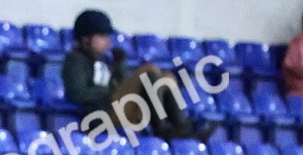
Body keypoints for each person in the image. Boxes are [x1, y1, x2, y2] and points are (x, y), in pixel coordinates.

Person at [62, 9, 213, 141]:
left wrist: (119, 67)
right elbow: (76, 93)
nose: (108, 42)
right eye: (102, 36)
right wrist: (110, 91)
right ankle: (161, 129)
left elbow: (117, 85)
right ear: (86, 38)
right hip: (99, 116)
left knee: (167, 78)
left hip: (120, 109)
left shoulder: (103, 60)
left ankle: (181, 126)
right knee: (148, 71)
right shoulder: (75, 61)